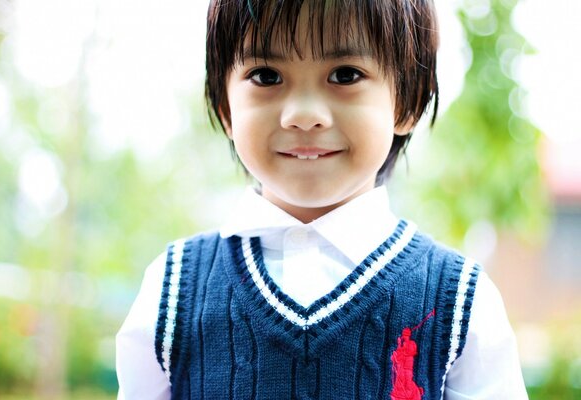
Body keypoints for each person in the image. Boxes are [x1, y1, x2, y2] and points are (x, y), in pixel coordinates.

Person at [116, 0, 528, 399]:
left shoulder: (460, 302)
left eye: (345, 75)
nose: (304, 113)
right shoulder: (172, 290)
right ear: (225, 107)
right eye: (266, 76)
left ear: (407, 101)